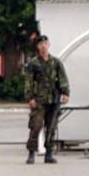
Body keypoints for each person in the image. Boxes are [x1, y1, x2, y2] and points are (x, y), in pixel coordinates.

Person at [23, 35, 70, 164]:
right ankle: (32, 152)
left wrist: (65, 93)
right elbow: (28, 81)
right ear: (37, 47)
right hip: (39, 100)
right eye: (40, 44)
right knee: (36, 125)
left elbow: (63, 78)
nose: (43, 46)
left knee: (52, 127)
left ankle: (49, 153)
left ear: (49, 44)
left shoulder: (56, 62)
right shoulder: (33, 64)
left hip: (54, 99)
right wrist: (29, 97)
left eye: (45, 43)